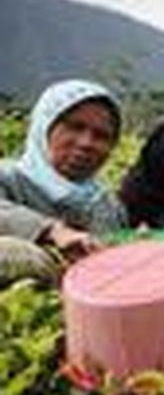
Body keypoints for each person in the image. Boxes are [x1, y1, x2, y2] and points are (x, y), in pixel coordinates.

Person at [0, 79, 125, 285]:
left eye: (101, 136)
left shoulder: (107, 205)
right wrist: (52, 231)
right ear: (44, 125)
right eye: (74, 127)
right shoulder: (8, 177)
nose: (87, 143)